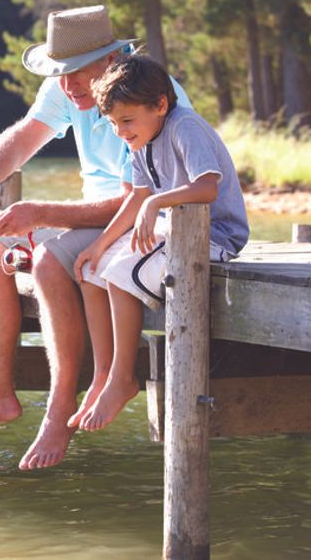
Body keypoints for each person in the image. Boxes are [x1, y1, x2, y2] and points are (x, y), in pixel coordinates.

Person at [0, 5, 191, 470]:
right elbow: (22, 137)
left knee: (49, 262)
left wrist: (41, 213)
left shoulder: (145, 96)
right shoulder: (67, 87)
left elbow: (138, 199)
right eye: (60, 72)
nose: (67, 84)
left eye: (76, 71)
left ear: (110, 61)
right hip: (97, 217)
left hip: (146, 223)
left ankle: (59, 411)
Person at [71, 55, 249, 431]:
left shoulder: (185, 126)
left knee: (120, 274)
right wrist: (100, 244)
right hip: (175, 232)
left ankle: (123, 378)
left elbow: (207, 187)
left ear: (161, 105)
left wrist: (156, 203)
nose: (120, 131)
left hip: (214, 236)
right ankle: (105, 373)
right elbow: (138, 195)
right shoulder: (141, 139)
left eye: (127, 120)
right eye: (113, 123)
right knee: (91, 270)